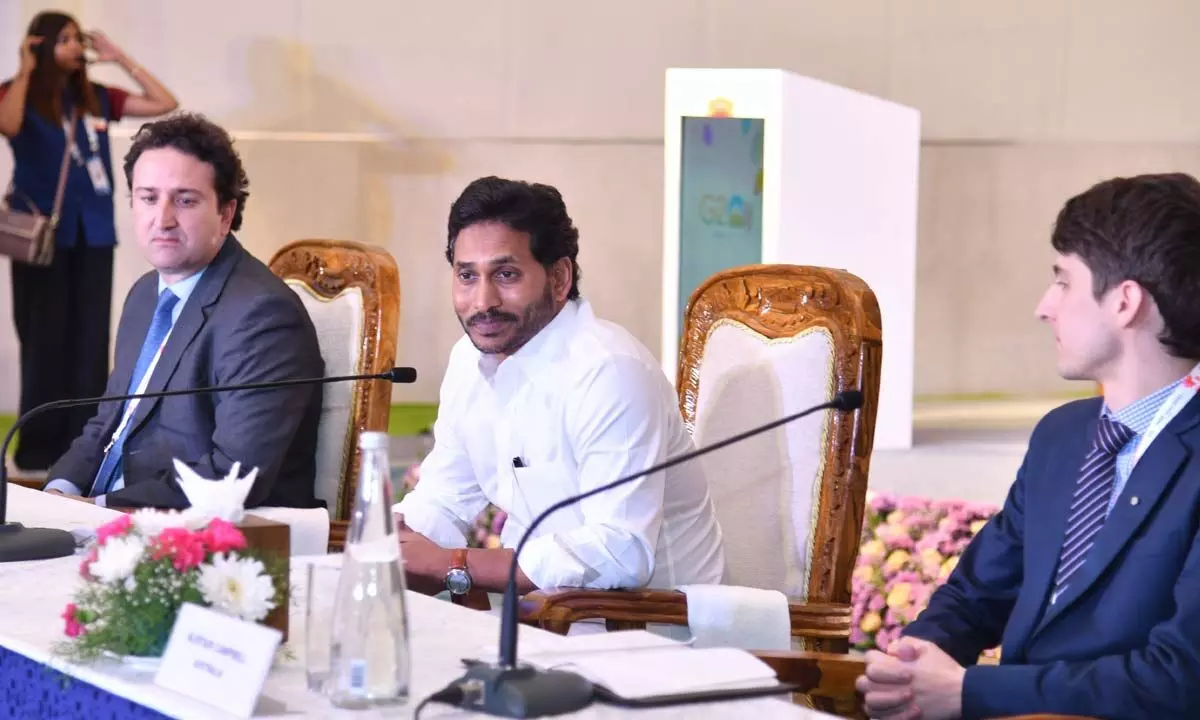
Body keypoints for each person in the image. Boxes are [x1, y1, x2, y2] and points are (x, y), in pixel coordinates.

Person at [857, 173, 1200, 720]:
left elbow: (1180, 677)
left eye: (1063, 281)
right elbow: (976, 594)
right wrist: (913, 662)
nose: (1045, 306)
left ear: (1125, 302)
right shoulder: (1062, 435)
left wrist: (970, 693)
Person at [392, 176, 725, 598]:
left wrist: (454, 564)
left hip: (656, 633)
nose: (482, 301)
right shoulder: (468, 361)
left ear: (559, 277)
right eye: (467, 276)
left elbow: (621, 551)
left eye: (506, 274)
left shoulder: (610, 371)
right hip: (538, 623)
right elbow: (444, 499)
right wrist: (388, 542)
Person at [41, 113, 324, 510]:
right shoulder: (144, 295)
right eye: (148, 197)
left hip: (207, 536)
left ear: (226, 214)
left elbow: (232, 475)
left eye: (185, 200)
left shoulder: (263, 316)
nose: (163, 219)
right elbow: (109, 424)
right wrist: (61, 492)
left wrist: (100, 507)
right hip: (105, 515)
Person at [1, 11, 178, 478]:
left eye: (77, 39)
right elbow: (9, 124)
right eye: (63, 40)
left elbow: (164, 101)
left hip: (94, 233)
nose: (75, 47)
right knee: (43, 340)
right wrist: (24, 68)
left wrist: (120, 59)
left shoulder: (94, 97)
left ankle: (82, 445)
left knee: (90, 341)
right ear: (40, 45)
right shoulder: (21, 94)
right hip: (42, 239)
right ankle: (37, 450)